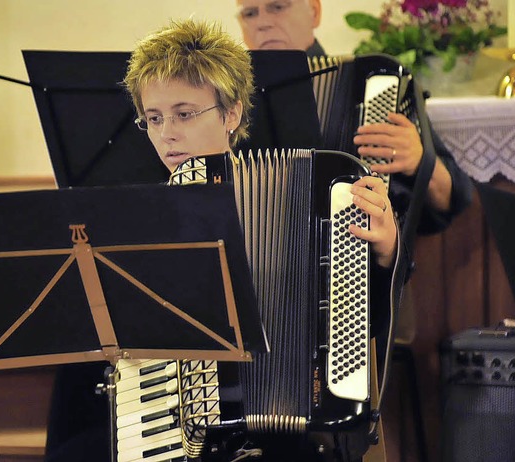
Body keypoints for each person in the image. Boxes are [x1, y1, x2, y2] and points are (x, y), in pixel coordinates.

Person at [45, 18, 401, 462]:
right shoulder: (132, 216)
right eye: (153, 118)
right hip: (164, 417)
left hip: (285, 433)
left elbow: (362, 318)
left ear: (231, 113)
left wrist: (385, 253)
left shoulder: (309, 195)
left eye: (184, 113)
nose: (167, 133)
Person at [235, 0, 473, 235]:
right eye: (250, 13)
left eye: (278, 7)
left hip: (358, 261)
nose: (263, 23)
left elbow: (454, 199)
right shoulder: (226, 99)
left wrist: (421, 161)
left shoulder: (373, 84)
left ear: (314, 12)